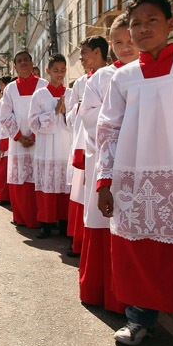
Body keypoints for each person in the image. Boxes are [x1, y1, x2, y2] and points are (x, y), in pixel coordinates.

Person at [96, 0, 173, 346]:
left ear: (171, 24)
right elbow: (108, 130)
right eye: (135, 24)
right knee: (138, 254)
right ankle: (138, 319)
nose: (143, 29)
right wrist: (104, 180)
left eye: (152, 21)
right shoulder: (123, 77)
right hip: (134, 177)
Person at [81, 24, 137, 310]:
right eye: (119, 42)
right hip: (108, 158)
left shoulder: (149, 72)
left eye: (131, 40)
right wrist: (115, 119)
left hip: (143, 161)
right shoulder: (103, 76)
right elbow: (87, 115)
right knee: (107, 218)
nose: (126, 47)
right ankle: (108, 294)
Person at [67, 37, 107, 258]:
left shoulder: (112, 76)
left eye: (84, 52)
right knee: (82, 194)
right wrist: (79, 108)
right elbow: (70, 116)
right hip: (83, 143)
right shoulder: (80, 82)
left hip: (102, 145)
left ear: (98, 52)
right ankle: (80, 242)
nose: (80, 57)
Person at [0, 52, 48, 228]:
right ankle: (21, 216)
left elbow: (48, 111)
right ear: (15, 66)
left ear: (32, 62)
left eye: (26, 60)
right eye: (19, 61)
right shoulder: (10, 89)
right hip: (18, 142)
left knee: (40, 178)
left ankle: (43, 218)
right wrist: (19, 136)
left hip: (40, 139)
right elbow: (4, 115)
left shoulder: (43, 85)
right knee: (20, 179)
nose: (23, 63)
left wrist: (35, 134)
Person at [28, 53, 72, 238]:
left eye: (62, 70)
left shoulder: (70, 93)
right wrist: (54, 112)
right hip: (46, 148)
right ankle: (45, 224)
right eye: (56, 70)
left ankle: (64, 224)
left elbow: (77, 120)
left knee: (64, 187)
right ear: (48, 71)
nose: (59, 74)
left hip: (65, 145)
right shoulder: (39, 95)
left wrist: (66, 113)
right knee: (47, 185)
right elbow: (32, 122)